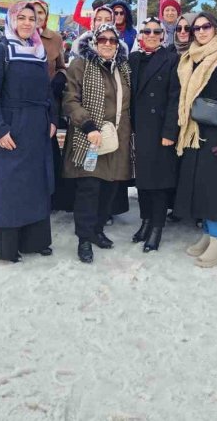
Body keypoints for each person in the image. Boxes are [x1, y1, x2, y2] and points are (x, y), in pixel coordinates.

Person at [0, 3, 57, 262]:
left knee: (35, 185)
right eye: (21, 18)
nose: (26, 23)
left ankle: (34, 240)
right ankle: (7, 247)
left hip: (37, 127)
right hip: (11, 127)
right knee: (9, 187)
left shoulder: (39, 51)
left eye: (31, 19)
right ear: (12, 20)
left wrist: (53, 119)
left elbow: (47, 91)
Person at [174, 12, 217, 268]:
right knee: (200, 186)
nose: (201, 32)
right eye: (196, 29)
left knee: (213, 188)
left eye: (206, 27)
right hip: (195, 129)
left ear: (216, 29)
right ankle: (208, 234)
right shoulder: (192, 56)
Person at [62, 23, 133, 264]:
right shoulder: (80, 65)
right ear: (94, 41)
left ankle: (97, 230)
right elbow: (70, 100)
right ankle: (84, 237)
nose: (107, 43)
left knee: (110, 187)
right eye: (102, 39)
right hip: (90, 136)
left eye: (112, 40)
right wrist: (88, 126)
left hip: (117, 138)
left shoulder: (123, 68)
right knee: (89, 189)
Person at [128, 17, 181, 252]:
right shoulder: (134, 58)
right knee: (143, 181)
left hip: (160, 129)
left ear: (163, 35)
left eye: (156, 31)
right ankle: (145, 220)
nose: (151, 34)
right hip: (140, 127)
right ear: (141, 35)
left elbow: (175, 98)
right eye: (146, 31)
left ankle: (157, 226)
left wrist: (170, 130)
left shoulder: (171, 59)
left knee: (158, 182)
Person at [31, 0, 72, 212]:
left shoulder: (54, 38)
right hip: (25, 102)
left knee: (49, 146)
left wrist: (60, 78)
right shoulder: (18, 37)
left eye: (40, 12)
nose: (36, 16)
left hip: (48, 101)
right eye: (33, 12)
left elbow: (62, 66)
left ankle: (52, 196)